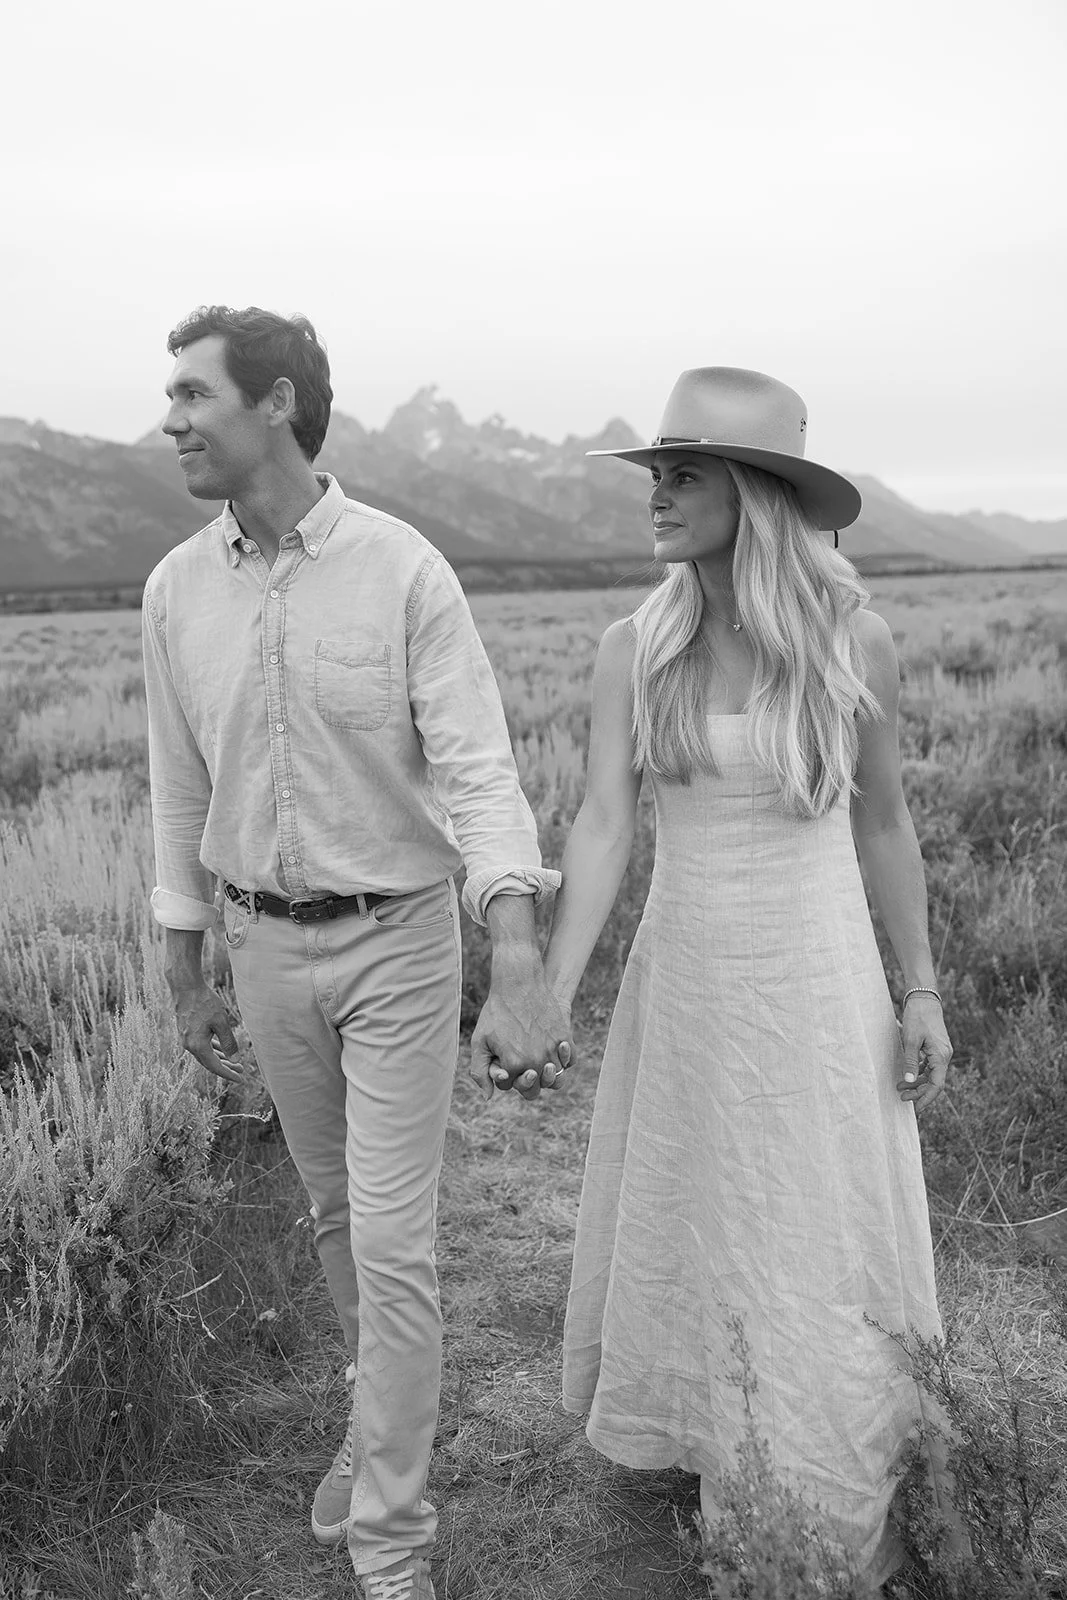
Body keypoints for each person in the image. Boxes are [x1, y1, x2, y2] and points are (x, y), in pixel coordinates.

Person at [141, 305, 570, 1600]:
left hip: (395, 944)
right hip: (263, 950)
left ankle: (389, 1542)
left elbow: (479, 769)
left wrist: (514, 949)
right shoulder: (173, 590)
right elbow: (175, 789)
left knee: (390, 1243)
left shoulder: (403, 570)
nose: (169, 421)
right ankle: (368, 1409)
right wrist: (181, 957)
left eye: (191, 395)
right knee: (334, 1221)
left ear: (275, 402)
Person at [519, 367, 958, 1588]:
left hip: (815, 978)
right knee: (706, 1203)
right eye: (656, 472)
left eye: (683, 473)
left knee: (811, 1215)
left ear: (753, 493)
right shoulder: (633, 644)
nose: (655, 493)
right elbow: (603, 825)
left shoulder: (847, 634)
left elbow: (882, 822)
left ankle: (823, 1478)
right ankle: (720, 1435)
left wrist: (916, 986)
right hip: (692, 972)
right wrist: (553, 987)